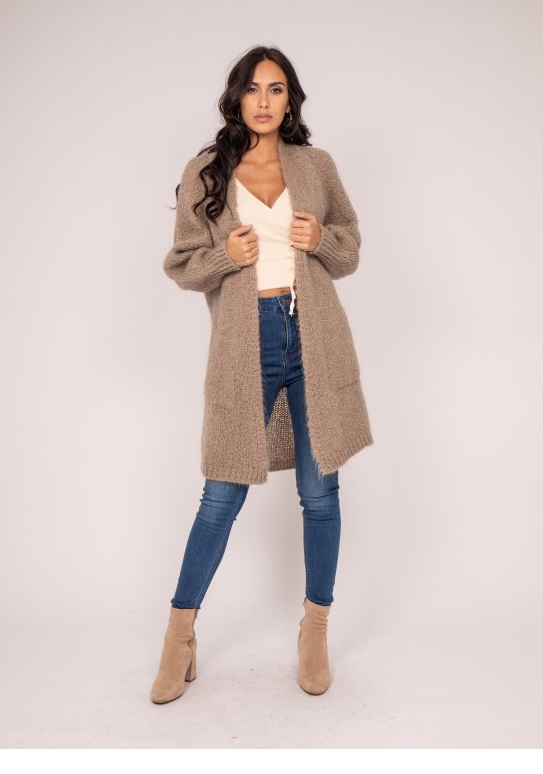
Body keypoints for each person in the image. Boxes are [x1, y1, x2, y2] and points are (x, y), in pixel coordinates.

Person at [150, 45, 374, 704]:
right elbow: (181, 264)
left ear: (291, 99)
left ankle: (315, 630)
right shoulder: (207, 171)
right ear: (237, 98)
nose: (265, 101)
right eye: (254, 88)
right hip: (246, 344)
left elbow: (350, 248)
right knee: (221, 495)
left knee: (320, 492)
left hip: (316, 340)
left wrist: (320, 241)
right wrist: (225, 254)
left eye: (277, 89)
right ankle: (180, 636)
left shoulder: (315, 165)